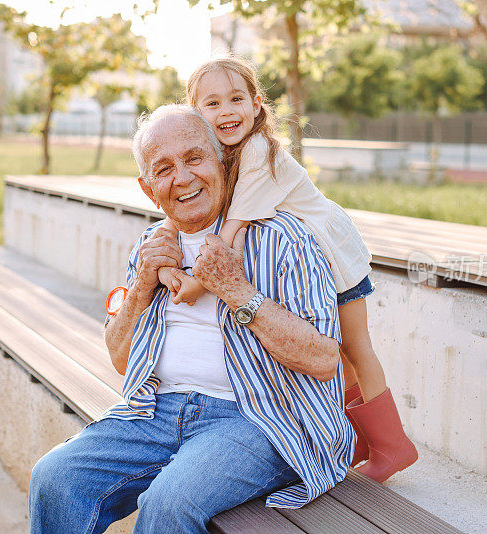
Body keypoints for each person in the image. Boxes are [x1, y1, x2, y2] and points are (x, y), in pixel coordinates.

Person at [28, 104, 354, 534]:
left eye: (194, 158)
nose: (181, 178)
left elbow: (323, 360)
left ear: (221, 158)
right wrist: (142, 284)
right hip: (157, 412)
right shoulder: (152, 248)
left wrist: (237, 290)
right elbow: (123, 360)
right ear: (148, 189)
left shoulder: (284, 238)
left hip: (258, 417)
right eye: (164, 168)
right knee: (54, 478)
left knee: (168, 503)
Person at [156, 57, 417, 482]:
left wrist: (196, 283)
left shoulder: (258, 151)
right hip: (309, 260)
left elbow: (231, 235)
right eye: (213, 103)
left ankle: (394, 446)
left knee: (355, 347)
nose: (226, 111)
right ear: (195, 115)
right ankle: (361, 439)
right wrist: (161, 237)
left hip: (334, 254)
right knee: (343, 358)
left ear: (257, 104)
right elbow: (185, 207)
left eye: (237, 99)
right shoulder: (222, 154)